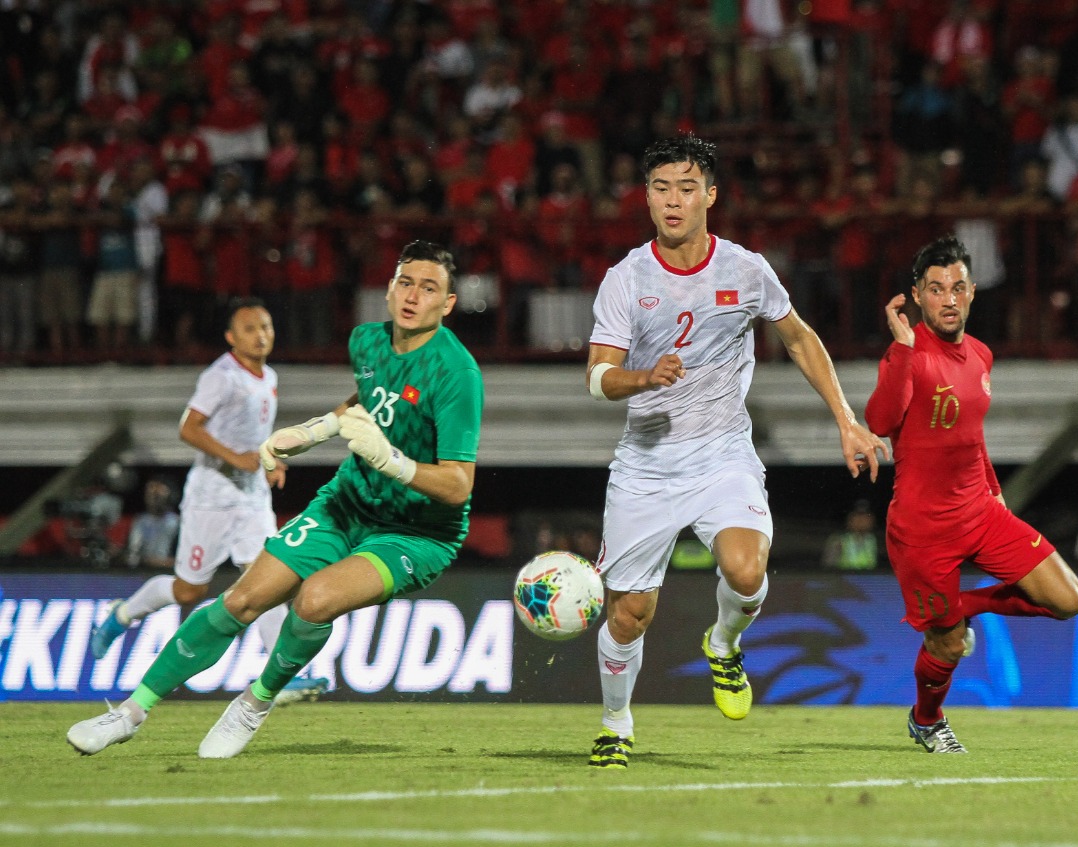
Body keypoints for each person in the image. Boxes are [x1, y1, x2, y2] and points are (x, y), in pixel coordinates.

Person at [68, 241, 482, 759]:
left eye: (428, 288)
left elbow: (459, 484)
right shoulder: (367, 343)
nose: (412, 296)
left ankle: (255, 701)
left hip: (416, 532)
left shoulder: (458, 374)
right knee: (240, 599)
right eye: (405, 282)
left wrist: (391, 461)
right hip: (347, 504)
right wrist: (315, 430)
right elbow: (368, 400)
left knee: (314, 601)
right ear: (388, 290)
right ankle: (128, 713)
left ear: (447, 304)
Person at [584, 135, 888, 769]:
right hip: (646, 463)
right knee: (631, 613)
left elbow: (801, 340)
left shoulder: (747, 269)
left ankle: (723, 644)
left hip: (723, 455)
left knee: (747, 572)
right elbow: (598, 377)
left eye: (687, 188)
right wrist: (643, 377)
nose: (673, 201)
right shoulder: (626, 278)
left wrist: (846, 420)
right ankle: (616, 723)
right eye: (661, 188)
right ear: (645, 196)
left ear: (710, 196)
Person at [863, 234, 1078, 754]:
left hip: (981, 510)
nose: (948, 298)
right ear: (917, 296)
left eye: (957, 287)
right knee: (945, 642)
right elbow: (878, 421)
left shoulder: (981, 355)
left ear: (972, 293)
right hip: (923, 529)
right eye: (936, 289)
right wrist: (900, 349)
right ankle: (927, 719)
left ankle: (961, 606)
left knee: (1068, 600)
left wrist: (993, 489)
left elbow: (971, 433)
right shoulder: (910, 355)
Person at [88, 297, 326, 705]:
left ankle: (287, 673)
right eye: (250, 329)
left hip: (251, 499)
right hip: (211, 499)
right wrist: (238, 459)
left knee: (268, 579)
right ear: (232, 338)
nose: (261, 335)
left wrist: (270, 461)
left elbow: (254, 435)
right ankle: (122, 614)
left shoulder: (267, 375)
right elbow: (189, 428)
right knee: (187, 592)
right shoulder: (221, 375)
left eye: (266, 327)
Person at [821, 499, 881, 570]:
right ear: (850, 519)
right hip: (844, 578)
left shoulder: (873, 540)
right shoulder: (839, 540)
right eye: (858, 516)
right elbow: (827, 567)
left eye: (866, 516)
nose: (862, 520)